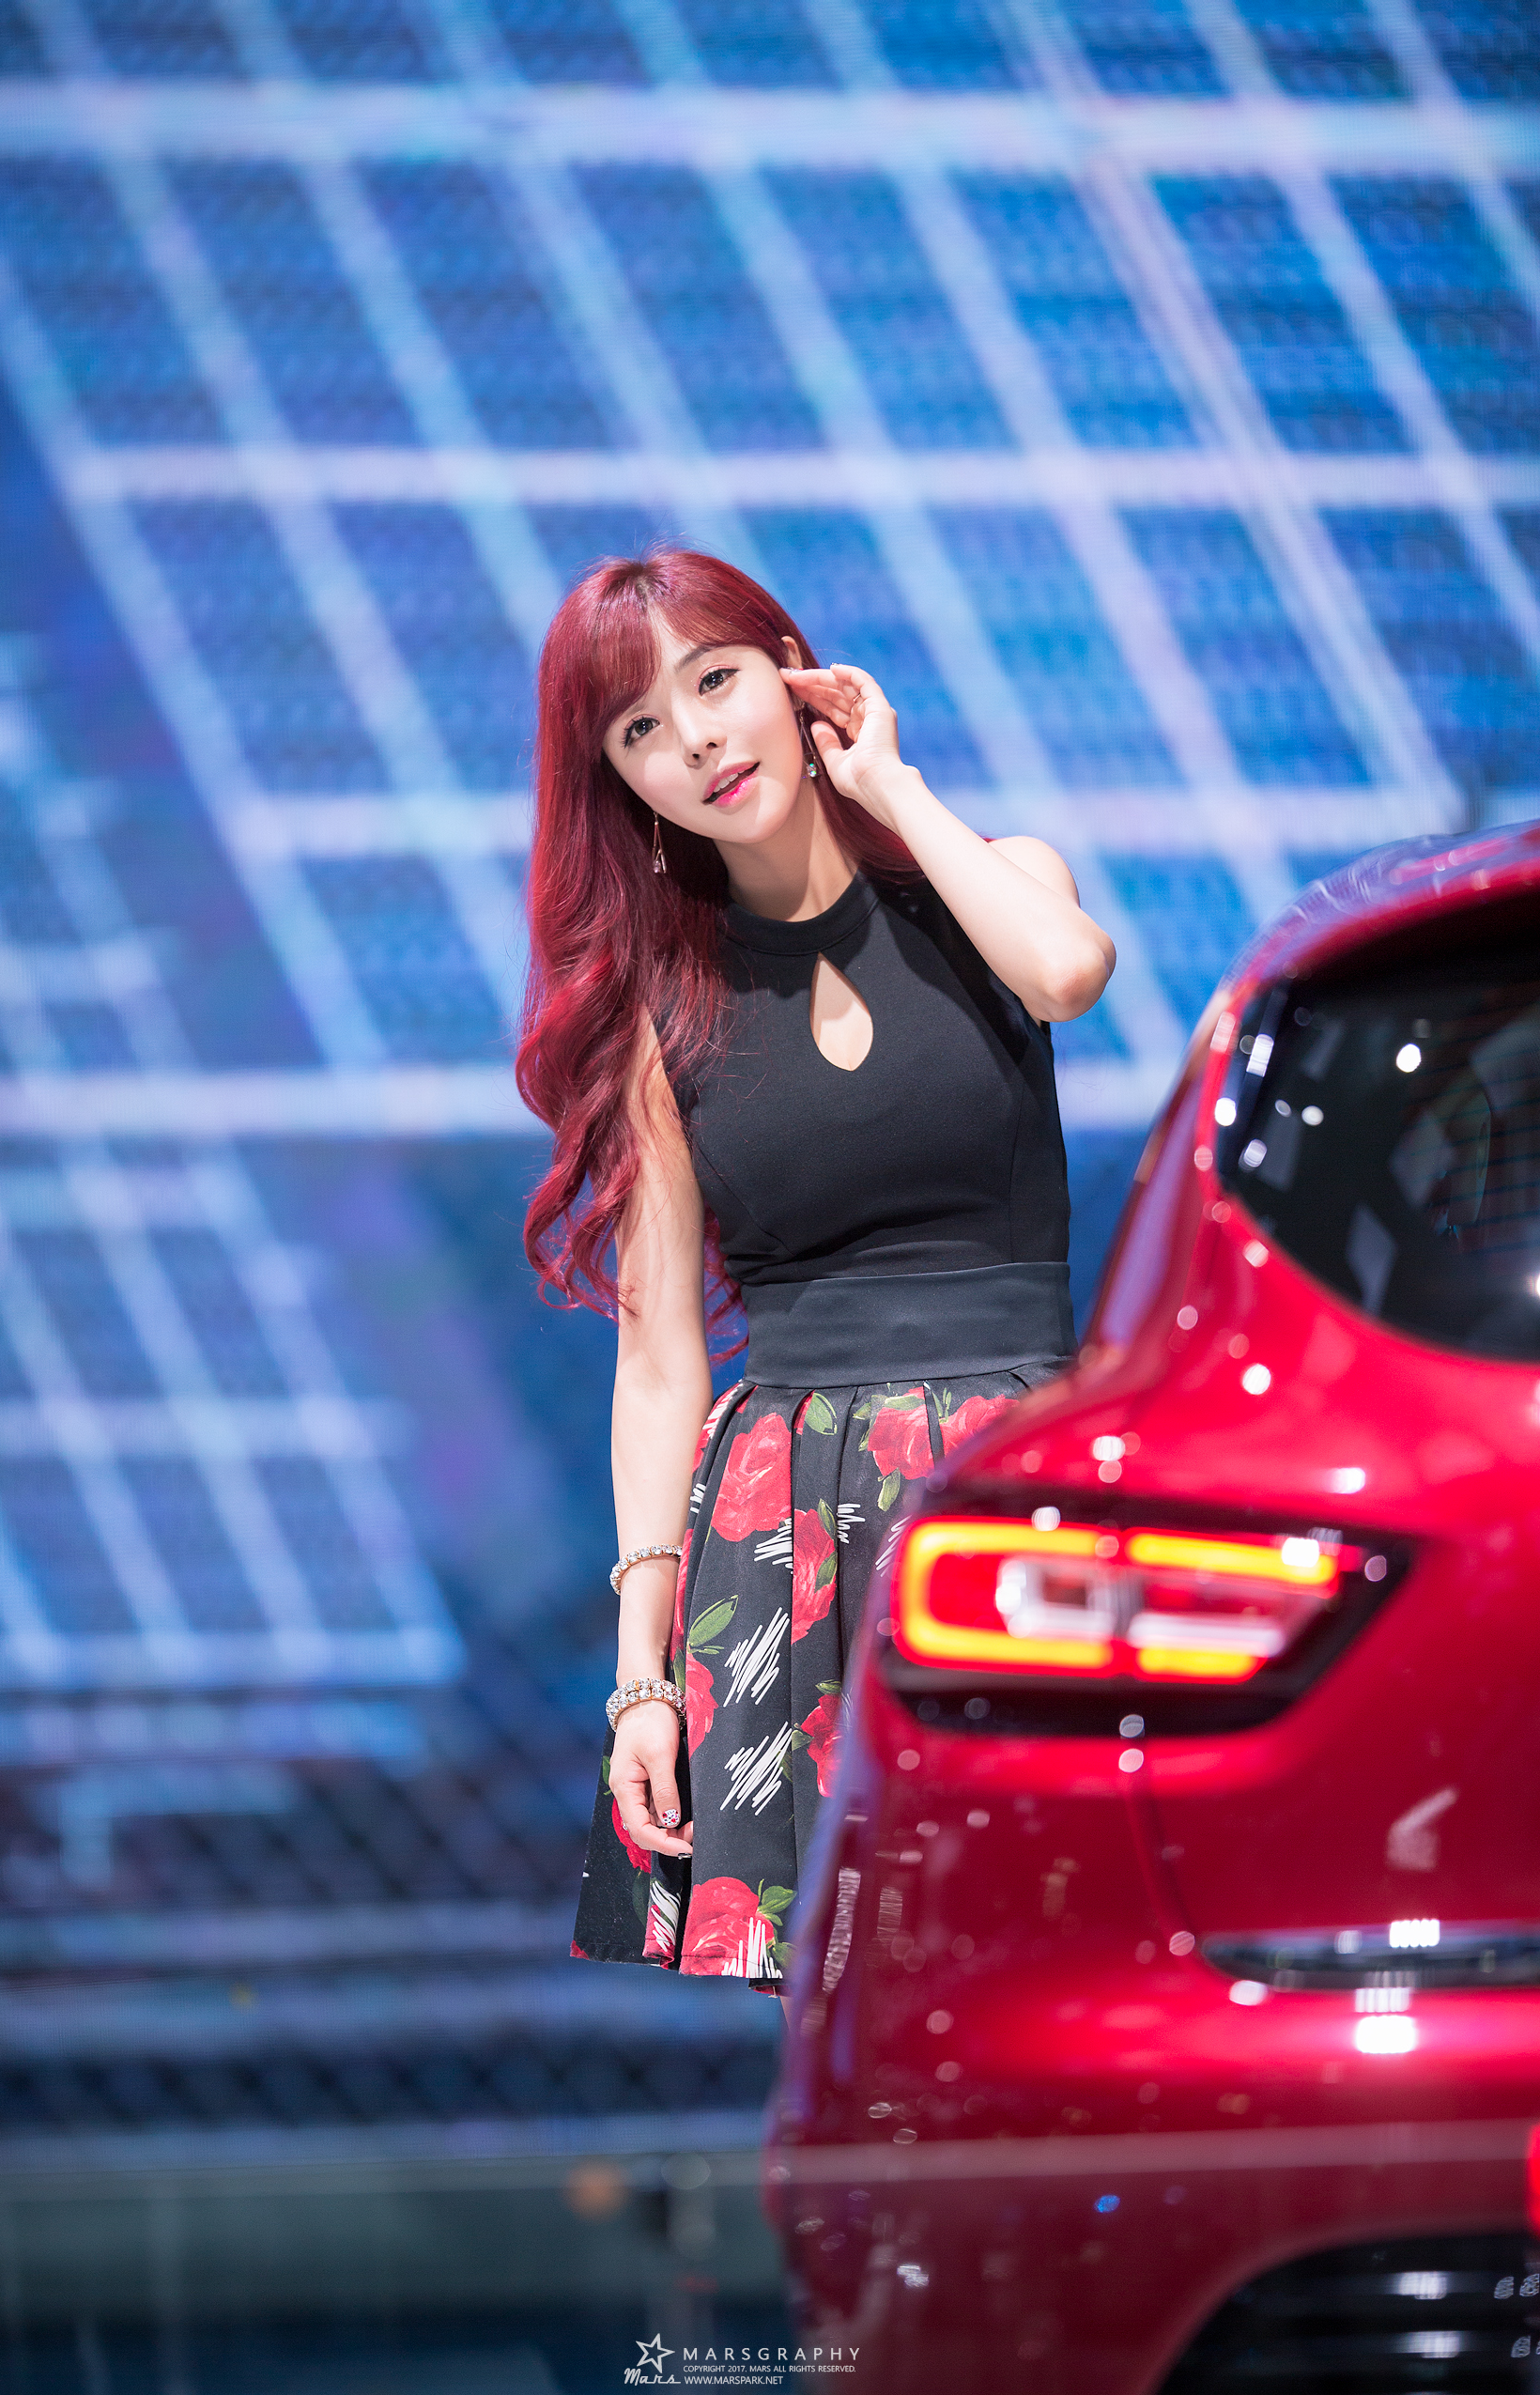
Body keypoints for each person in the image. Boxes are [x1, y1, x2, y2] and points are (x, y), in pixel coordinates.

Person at [518, 550, 1115, 2006]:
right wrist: (641, 1677)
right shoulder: (659, 1017)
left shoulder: (991, 882)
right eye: (641, 729)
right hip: (797, 1534)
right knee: (869, 2005)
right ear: (621, 782)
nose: (698, 741)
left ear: (796, 672)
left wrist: (890, 783)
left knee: (1069, 1955)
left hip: (1019, 1490)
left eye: (717, 682)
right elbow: (660, 1358)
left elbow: (1066, 971)